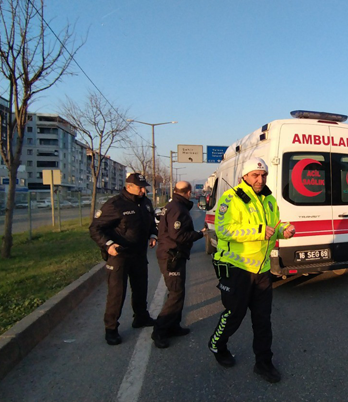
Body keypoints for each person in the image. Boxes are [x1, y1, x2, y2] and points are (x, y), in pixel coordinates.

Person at [208, 157, 295, 383]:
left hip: (262, 270)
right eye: (255, 175)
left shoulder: (269, 199)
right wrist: (258, 230)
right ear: (244, 176)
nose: (260, 179)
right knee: (234, 315)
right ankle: (217, 345)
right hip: (237, 268)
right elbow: (223, 230)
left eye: (263, 175)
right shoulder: (231, 197)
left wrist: (284, 230)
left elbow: (273, 227)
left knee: (262, 319)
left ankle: (263, 363)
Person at [89, 173, 158, 345]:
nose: (143, 190)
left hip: (139, 254)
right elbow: (95, 228)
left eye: (144, 187)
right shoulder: (115, 204)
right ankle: (111, 328)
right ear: (129, 187)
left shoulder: (146, 203)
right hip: (119, 256)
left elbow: (151, 224)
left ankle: (141, 317)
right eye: (140, 187)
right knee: (117, 293)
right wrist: (108, 245)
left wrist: (152, 234)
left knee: (141, 288)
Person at [151, 181, 207, 349]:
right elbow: (178, 236)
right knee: (175, 293)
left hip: (172, 253)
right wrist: (199, 234)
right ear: (189, 192)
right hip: (171, 255)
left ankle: (173, 326)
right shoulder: (178, 209)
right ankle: (159, 331)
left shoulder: (172, 205)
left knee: (178, 292)